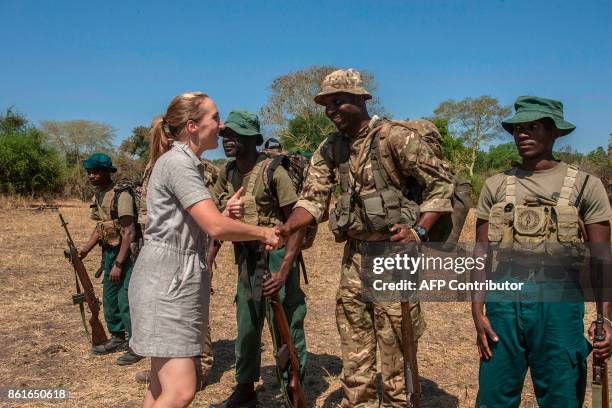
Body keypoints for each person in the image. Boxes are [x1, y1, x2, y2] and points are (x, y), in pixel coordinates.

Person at [278, 69, 454, 407]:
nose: (332, 111)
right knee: (353, 345)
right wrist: (288, 227)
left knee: (395, 348)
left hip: (393, 257)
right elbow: (312, 197)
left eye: (339, 102)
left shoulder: (394, 138)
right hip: (355, 258)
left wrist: (418, 230)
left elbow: (442, 185)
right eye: (327, 105)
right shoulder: (331, 146)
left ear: (361, 99)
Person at [128, 92, 281, 408]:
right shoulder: (180, 164)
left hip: (168, 276)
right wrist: (263, 231)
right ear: (192, 126)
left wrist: (224, 215)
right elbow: (215, 228)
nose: (221, 125)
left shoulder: (180, 162)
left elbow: (199, 224)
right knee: (183, 389)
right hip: (169, 280)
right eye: (215, 117)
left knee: (160, 385)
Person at [471, 96, 612, 407]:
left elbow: (602, 258)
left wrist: (606, 319)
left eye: (533, 127)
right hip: (503, 300)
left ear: (555, 132)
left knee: (561, 395)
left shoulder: (586, 186)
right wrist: (477, 312)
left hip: (559, 301)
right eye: (517, 128)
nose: (522, 134)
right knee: (494, 395)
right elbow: (481, 253)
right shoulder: (496, 185)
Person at [208, 110, 308, 408]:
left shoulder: (273, 171)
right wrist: (208, 260)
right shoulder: (227, 173)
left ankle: (294, 389)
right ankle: (245, 387)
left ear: (253, 140)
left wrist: (284, 270)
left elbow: (297, 225)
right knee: (247, 324)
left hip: (277, 256)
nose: (228, 141)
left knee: (286, 324)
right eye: (226, 135)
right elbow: (215, 218)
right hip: (246, 258)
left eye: (236, 135)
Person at [134, 157, 219, 390]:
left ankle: (199, 367)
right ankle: (164, 369)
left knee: (194, 315)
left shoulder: (192, 167)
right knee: (166, 321)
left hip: (188, 253)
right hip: (162, 251)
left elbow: (211, 221)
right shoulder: (157, 166)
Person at [78, 152, 142, 365]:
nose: (92, 176)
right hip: (109, 251)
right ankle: (117, 337)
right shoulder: (98, 194)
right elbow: (101, 227)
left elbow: (129, 231)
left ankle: (136, 344)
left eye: (96, 172)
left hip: (127, 252)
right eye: (89, 172)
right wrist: (85, 250)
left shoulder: (121, 194)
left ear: (107, 172)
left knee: (126, 298)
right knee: (109, 297)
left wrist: (118, 263)